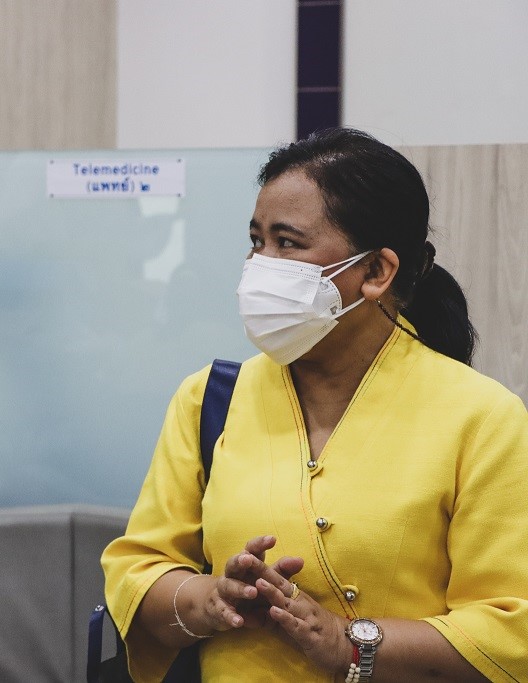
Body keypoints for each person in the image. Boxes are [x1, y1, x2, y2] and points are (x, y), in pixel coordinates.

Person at [101, 128, 528, 682]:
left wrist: (351, 645)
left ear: (376, 272)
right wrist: (210, 599)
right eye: (257, 241)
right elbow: (137, 573)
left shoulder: (482, 417)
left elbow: (510, 629)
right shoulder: (210, 399)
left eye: (288, 243)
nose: (261, 264)